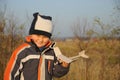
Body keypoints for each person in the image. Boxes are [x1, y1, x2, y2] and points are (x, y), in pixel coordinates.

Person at [4, 12, 70, 80]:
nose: (41, 40)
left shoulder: (52, 52)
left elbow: (56, 73)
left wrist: (63, 67)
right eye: (38, 35)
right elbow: (10, 74)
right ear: (31, 34)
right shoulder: (22, 52)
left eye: (45, 37)